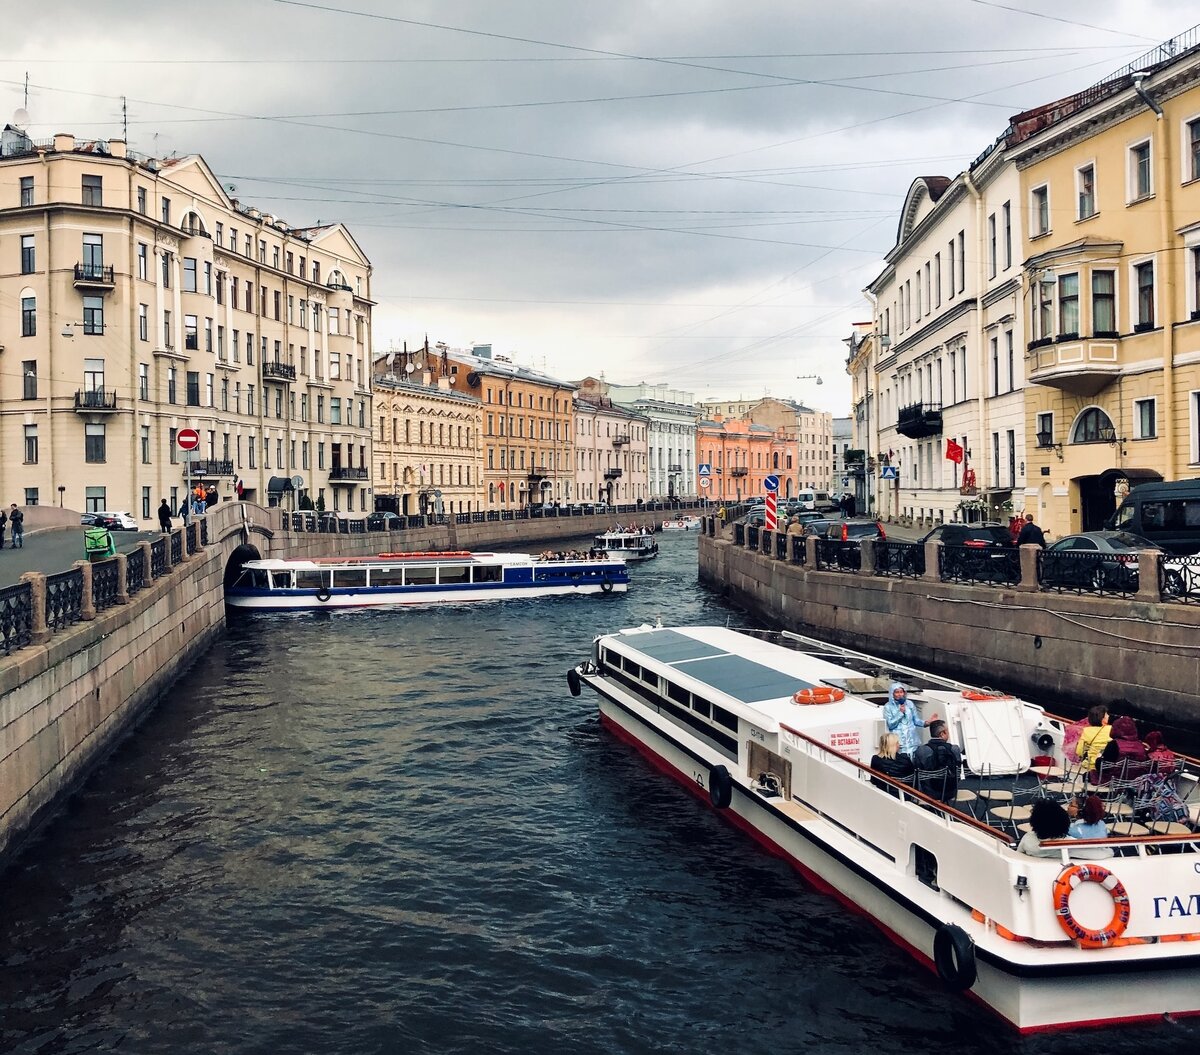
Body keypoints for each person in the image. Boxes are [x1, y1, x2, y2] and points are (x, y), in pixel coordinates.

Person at [912, 719, 963, 802]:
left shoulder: (921, 750)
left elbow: (917, 773)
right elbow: (958, 772)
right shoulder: (954, 749)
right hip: (951, 791)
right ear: (942, 734)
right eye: (947, 731)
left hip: (928, 793)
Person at [883, 682, 937, 760]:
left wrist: (927, 723)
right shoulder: (888, 707)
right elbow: (890, 724)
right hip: (899, 743)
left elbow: (916, 720)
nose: (899, 694)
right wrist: (900, 713)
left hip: (913, 742)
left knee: (915, 763)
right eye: (897, 692)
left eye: (901, 692)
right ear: (892, 694)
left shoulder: (910, 704)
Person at [1074, 704, 1112, 771]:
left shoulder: (1087, 731)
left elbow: (1079, 751)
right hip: (1106, 766)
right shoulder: (1111, 730)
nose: (1108, 716)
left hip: (1090, 766)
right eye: (1106, 714)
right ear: (1102, 718)